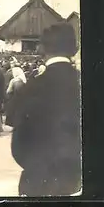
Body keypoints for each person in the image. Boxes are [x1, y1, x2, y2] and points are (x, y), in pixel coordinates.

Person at [11, 22, 81, 196]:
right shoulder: (91, 83)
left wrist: (38, 167)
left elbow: (18, 146)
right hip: (78, 180)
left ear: (42, 49)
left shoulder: (29, 88)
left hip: (38, 181)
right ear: (74, 48)